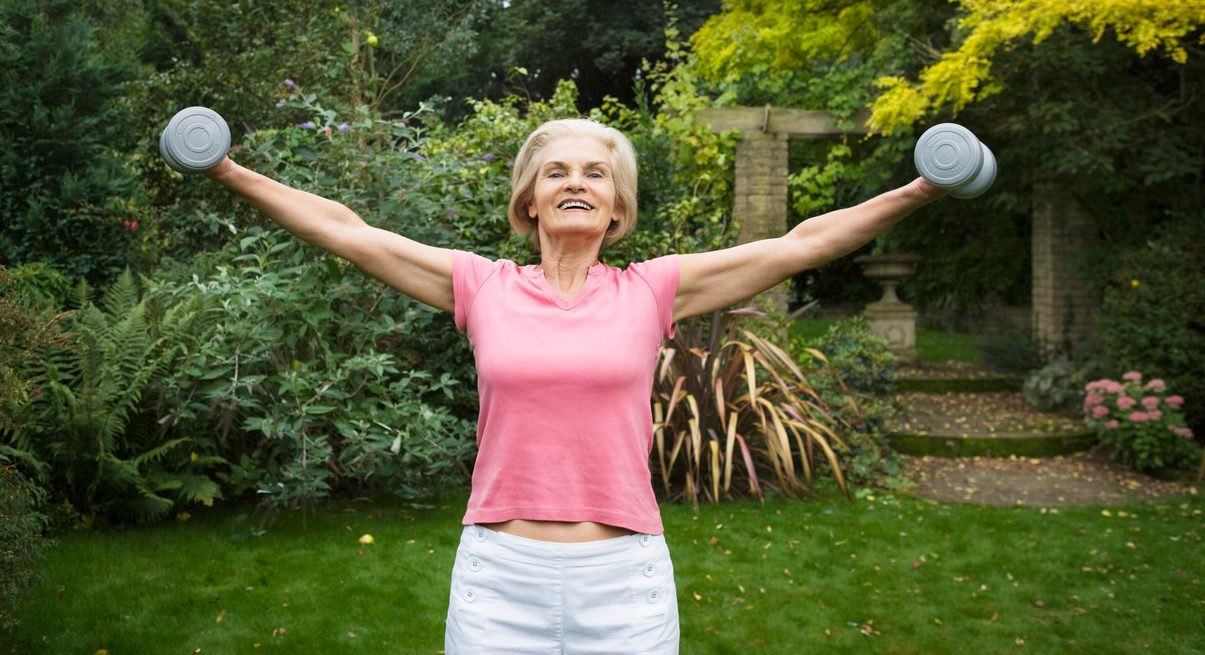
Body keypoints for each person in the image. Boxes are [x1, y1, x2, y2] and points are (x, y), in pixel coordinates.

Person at [203, 117, 945, 653]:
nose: (576, 183)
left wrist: (917, 188)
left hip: (622, 578)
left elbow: (800, 244)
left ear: (617, 209)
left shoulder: (652, 290)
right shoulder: (480, 285)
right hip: (500, 576)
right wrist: (228, 171)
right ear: (529, 202)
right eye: (556, 171)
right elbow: (347, 231)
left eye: (595, 173)